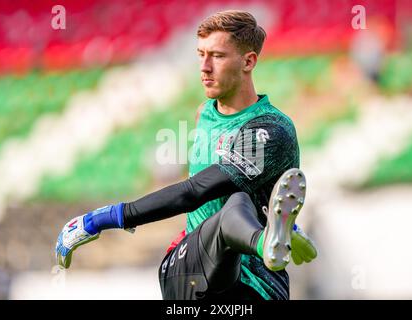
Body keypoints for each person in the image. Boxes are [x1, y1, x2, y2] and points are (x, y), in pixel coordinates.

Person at [55, 10, 317, 300]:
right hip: (191, 275)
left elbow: (194, 192)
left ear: (248, 61)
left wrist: (103, 218)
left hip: (258, 289)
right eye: (200, 54)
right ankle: (265, 241)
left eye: (217, 56)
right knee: (236, 202)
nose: (204, 67)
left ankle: (270, 242)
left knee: (237, 202)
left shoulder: (270, 130)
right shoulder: (204, 114)